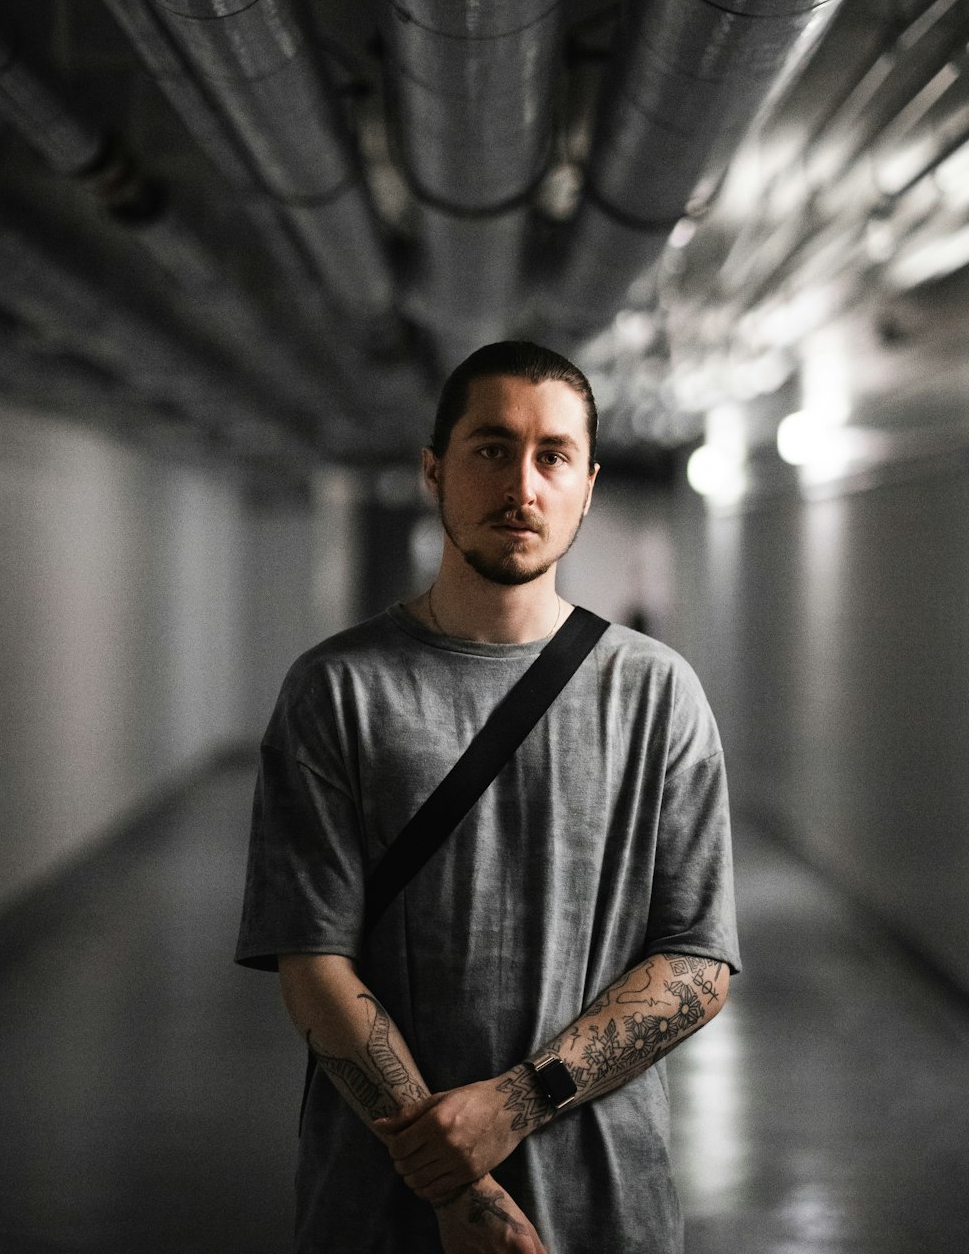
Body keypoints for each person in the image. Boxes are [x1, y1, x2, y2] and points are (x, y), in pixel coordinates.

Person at [235, 340, 740, 1254]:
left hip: (603, 1201)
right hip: (382, 1204)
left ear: (587, 484)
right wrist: (460, 1187)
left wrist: (517, 1101)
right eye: (491, 448)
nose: (523, 482)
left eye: (553, 454)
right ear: (435, 470)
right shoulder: (337, 690)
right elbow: (311, 959)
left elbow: (700, 961)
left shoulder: (659, 693)